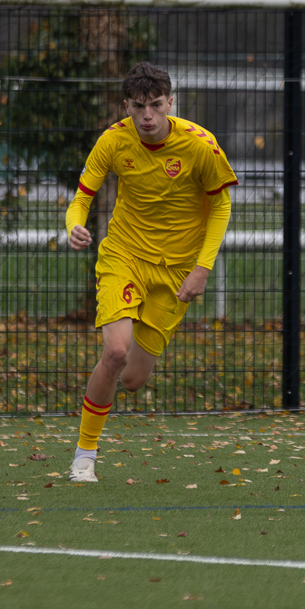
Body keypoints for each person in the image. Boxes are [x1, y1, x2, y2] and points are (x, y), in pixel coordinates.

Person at [66, 62, 237, 482]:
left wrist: (201, 270)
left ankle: (104, 406)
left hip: (177, 272)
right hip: (123, 255)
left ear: (170, 103)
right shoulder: (113, 140)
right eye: (139, 107)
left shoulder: (201, 145)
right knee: (116, 351)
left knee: (134, 380)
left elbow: (221, 206)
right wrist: (73, 223)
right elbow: (81, 196)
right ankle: (84, 456)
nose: (147, 116)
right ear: (127, 106)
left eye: (156, 106)